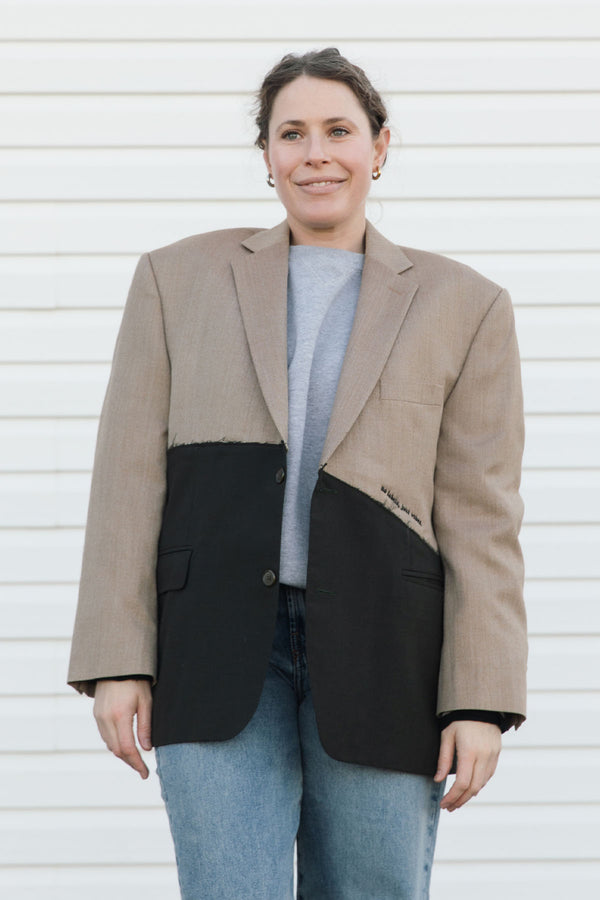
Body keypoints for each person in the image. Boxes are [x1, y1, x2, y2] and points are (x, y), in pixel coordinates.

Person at [68, 48, 528, 899]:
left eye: (338, 130)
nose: (316, 152)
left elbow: (481, 516)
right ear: (268, 157)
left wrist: (481, 697)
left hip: (391, 651)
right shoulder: (176, 279)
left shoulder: (466, 306)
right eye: (292, 133)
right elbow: (126, 477)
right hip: (213, 643)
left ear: (380, 147)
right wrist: (115, 657)